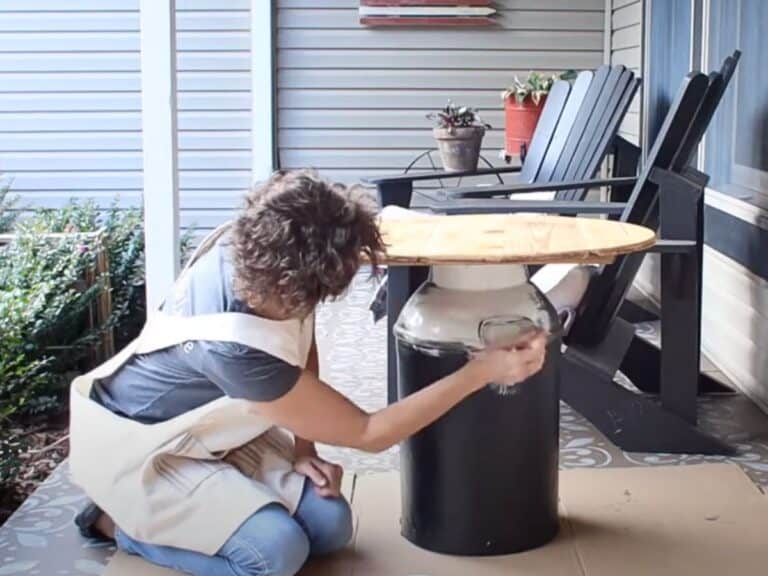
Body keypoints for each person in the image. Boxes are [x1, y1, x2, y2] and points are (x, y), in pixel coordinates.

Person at [70, 170, 548, 576]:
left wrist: (305, 447)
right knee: (275, 555)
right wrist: (481, 370)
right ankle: (120, 526)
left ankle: (217, 509)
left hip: (215, 433)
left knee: (330, 527)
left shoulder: (265, 250)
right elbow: (368, 432)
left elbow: (301, 334)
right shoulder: (234, 346)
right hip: (148, 453)